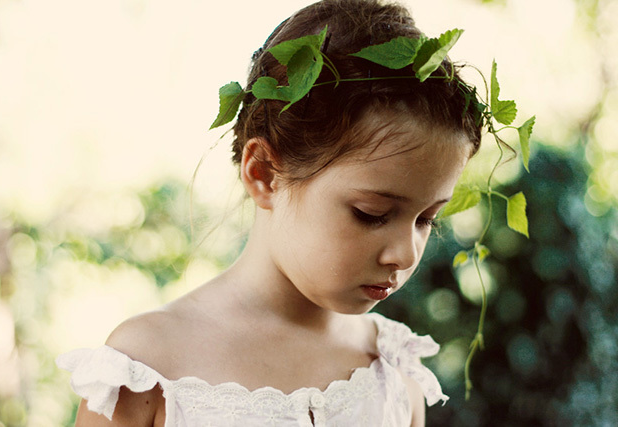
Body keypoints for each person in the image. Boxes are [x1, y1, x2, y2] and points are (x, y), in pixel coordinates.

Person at [57, 0, 483, 425]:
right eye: (371, 213)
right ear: (263, 174)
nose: (406, 255)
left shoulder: (393, 368)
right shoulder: (147, 367)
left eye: (427, 219)